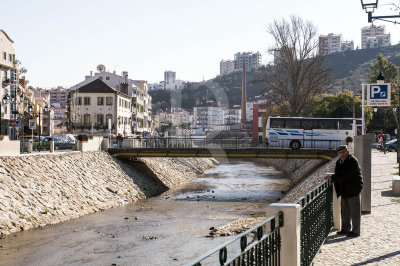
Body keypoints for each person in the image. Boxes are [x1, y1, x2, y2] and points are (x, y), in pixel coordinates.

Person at [328, 145, 363, 238]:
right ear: (338, 154)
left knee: (354, 212)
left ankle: (356, 231)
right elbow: (338, 174)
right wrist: (334, 178)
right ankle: (345, 229)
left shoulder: (352, 161)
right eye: (340, 153)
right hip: (344, 190)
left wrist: (333, 178)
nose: (342, 154)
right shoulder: (338, 162)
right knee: (345, 212)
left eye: (343, 152)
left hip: (353, 189)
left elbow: (346, 174)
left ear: (347, 151)